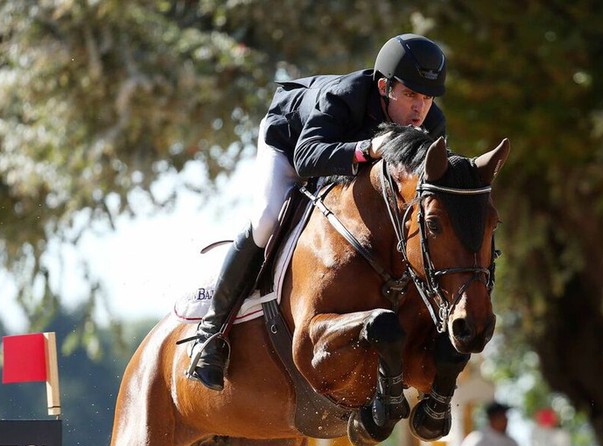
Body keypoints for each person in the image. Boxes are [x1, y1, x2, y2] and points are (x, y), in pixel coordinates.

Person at [186, 34, 448, 390]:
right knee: (267, 218)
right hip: (291, 144)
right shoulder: (345, 96)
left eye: (428, 98)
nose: (420, 110)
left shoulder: (430, 125)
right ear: (385, 87)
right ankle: (210, 336)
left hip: (341, 160)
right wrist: (366, 148)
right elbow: (307, 158)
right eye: (411, 96)